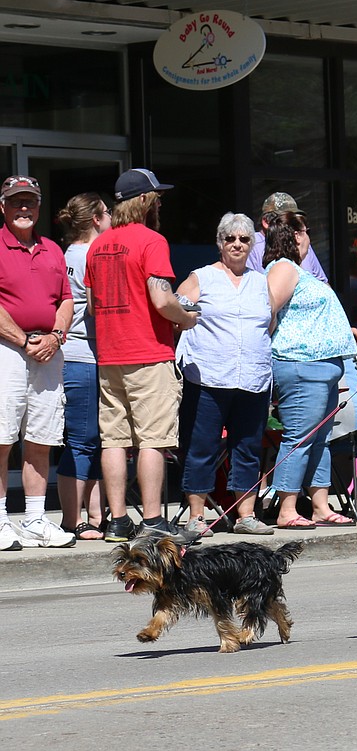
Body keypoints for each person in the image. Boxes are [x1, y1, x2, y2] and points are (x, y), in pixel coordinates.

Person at [85, 168, 199, 544]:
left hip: (111, 354)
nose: (161, 202)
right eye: (157, 196)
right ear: (146, 200)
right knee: (152, 438)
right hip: (149, 352)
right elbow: (162, 298)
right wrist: (186, 318)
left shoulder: (97, 246)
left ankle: (117, 521)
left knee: (114, 438)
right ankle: (153, 520)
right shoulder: (152, 240)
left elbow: (91, 304)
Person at [174, 213, 275, 537]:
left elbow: (268, 324)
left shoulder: (261, 282)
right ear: (220, 243)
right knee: (200, 446)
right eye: (230, 238)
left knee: (247, 448)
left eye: (244, 239)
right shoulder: (201, 278)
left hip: (252, 379)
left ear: (252, 244)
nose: (236, 244)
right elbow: (176, 314)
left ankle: (245, 514)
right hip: (209, 377)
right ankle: (196, 516)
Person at [265, 210, 357, 529]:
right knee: (300, 438)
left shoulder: (297, 270)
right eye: (302, 231)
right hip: (301, 364)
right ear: (291, 236)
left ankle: (320, 505)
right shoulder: (283, 268)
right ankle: (287, 508)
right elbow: (267, 310)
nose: (306, 237)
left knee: (320, 439)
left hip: (321, 368)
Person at [0, 175, 76, 550]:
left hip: (48, 350)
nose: (24, 208)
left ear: (40, 207)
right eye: (16, 201)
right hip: (7, 349)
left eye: (30, 201)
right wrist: (23, 340)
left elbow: (66, 300)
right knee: (0, 438)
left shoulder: (52, 250)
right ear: (3, 207)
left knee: (41, 438)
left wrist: (56, 336)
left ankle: (33, 519)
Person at [55, 192, 111, 541]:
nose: (111, 221)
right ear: (95, 220)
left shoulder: (66, 255)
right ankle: (71, 519)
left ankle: (93, 516)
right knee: (82, 440)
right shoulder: (92, 254)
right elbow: (96, 307)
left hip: (79, 355)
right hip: (82, 354)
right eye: (106, 214)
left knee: (90, 438)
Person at [247, 192, 329, 283]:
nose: (293, 225)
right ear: (266, 222)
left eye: (294, 220)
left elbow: (322, 281)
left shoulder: (301, 241)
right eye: (285, 220)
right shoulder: (250, 245)